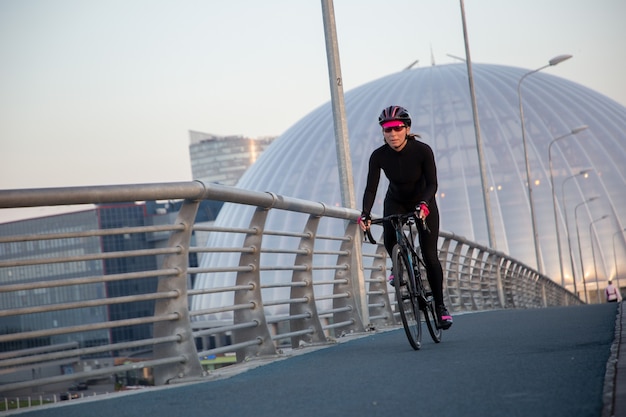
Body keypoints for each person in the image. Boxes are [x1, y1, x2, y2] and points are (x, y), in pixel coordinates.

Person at [358, 105, 452, 330]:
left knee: (429, 255)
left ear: (407, 129)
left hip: (423, 200)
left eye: (397, 128)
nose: (392, 134)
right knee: (390, 235)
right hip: (396, 200)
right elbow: (371, 189)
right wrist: (365, 214)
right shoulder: (378, 156)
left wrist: (424, 203)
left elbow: (432, 183)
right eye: (387, 129)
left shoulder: (422, 150)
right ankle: (397, 265)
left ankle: (440, 308)